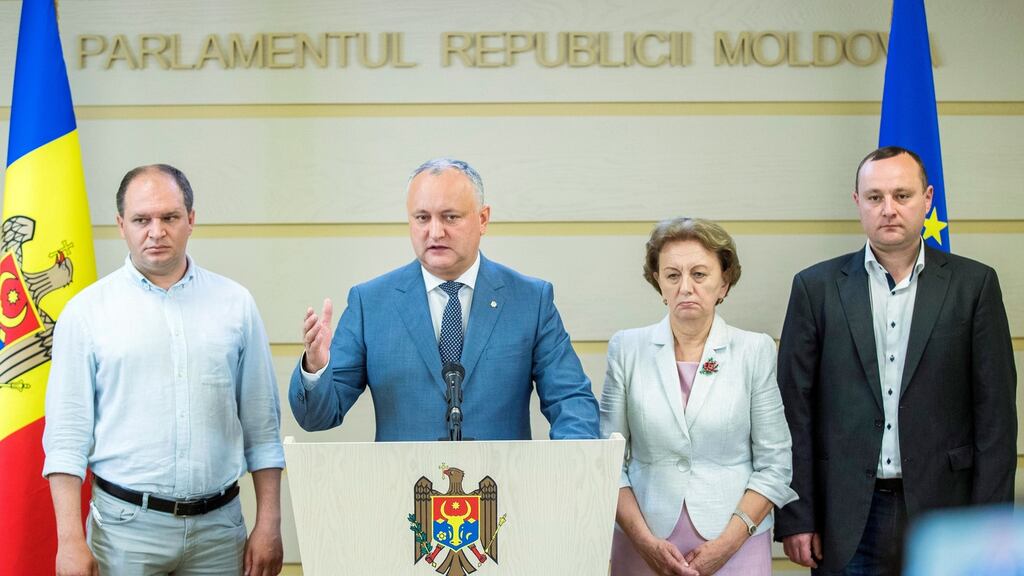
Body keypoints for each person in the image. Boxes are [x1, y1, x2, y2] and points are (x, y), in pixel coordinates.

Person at [774, 146, 1017, 575]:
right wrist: (798, 515)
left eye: (902, 196)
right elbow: (795, 412)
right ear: (857, 203)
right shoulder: (816, 288)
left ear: (927, 199)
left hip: (947, 512)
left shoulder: (974, 285)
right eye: (875, 197)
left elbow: (995, 415)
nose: (888, 209)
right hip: (845, 516)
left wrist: (990, 524)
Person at [43, 165, 285, 576]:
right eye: (142, 219)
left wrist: (270, 524)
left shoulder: (236, 305)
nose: (156, 231)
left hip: (220, 532)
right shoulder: (86, 314)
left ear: (191, 219)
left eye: (169, 217)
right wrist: (69, 541)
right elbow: (66, 439)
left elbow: (262, 428)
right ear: (121, 225)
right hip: (124, 535)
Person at [290, 158, 598, 440]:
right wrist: (316, 369)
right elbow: (317, 417)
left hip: (501, 494)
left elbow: (571, 401)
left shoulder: (530, 301)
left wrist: (570, 473)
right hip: (405, 494)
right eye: (422, 217)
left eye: (450, 217)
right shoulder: (370, 304)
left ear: (483, 219)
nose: (435, 232)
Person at [600, 217, 797, 576]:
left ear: (724, 283)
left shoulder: (754, 350)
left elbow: (775, 464)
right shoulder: (626, 349)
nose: (685, 287)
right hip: (643, 543)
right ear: (658, 282)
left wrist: (726, 546)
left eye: (699, 274)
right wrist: (645, 542)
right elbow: (607, 460)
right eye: (672, 275)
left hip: (736, 541)